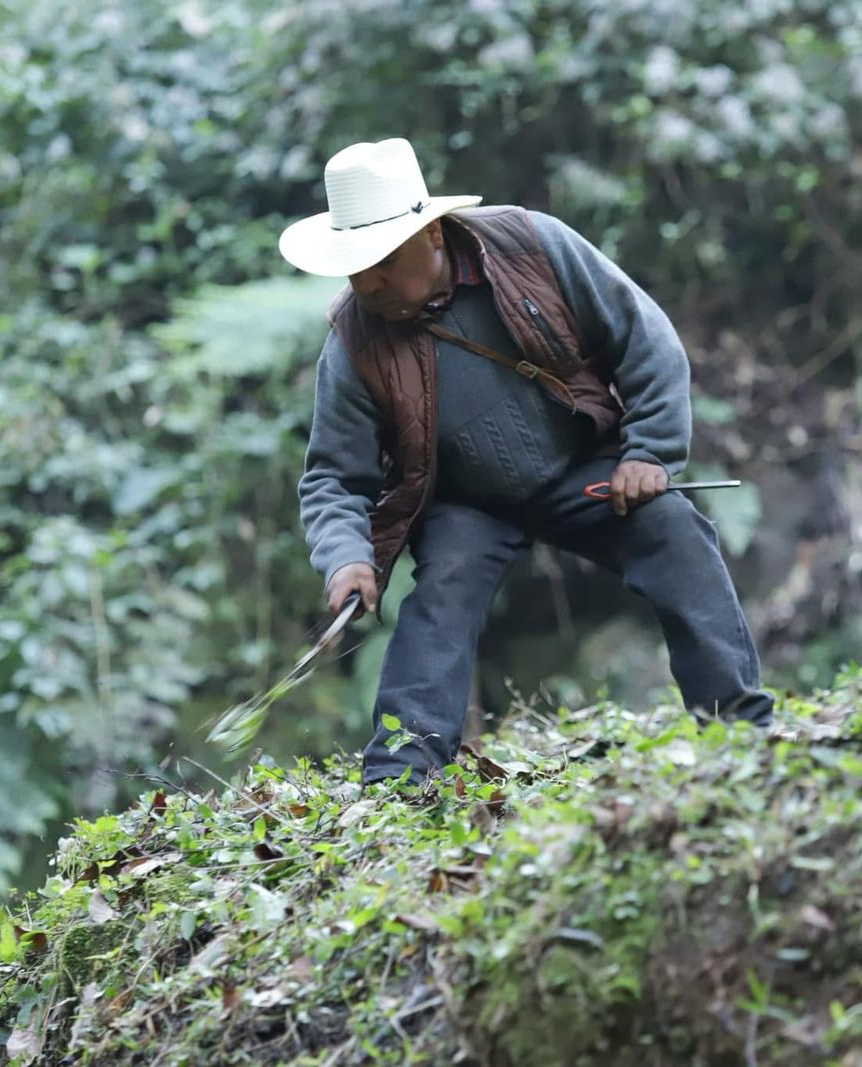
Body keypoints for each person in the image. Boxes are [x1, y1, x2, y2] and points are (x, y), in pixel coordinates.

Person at [278, 137, 774, 785]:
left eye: (383, 261)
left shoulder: (531, 247)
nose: (368, 283)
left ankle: (739, 725)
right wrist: (345, 555)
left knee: (675, 531)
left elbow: (641, 335)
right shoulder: (354, 338)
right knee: (438, 602)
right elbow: (334, 476)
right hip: (465, 504)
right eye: (356, 267)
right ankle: (400, 780)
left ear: (432, 234)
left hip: (580, 465)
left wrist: (650, 451)